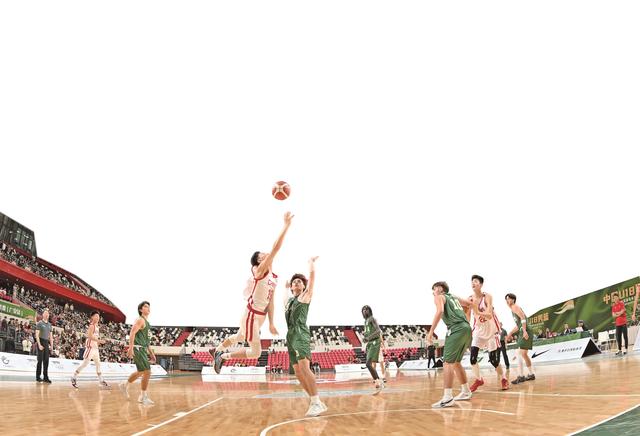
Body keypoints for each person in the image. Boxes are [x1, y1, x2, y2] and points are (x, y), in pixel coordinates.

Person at [212, 212, 293, 373]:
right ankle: (223, 356)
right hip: (252, 315)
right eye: (262, 254)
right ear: (259, 261)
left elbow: (271, 302)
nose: (266, 253)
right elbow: (275, 248)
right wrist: (286, 225)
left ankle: (217, 350)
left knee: (239, 337)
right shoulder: (260, 270)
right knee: (256, 353)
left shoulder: (273, 277)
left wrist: (271, 323)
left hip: (260, 316)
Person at [284, 256, 327, 417]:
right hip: (290, 336)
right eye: (294, 282)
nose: (296, 283)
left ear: (304, 286)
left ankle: (316, 401)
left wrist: (311, 263)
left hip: (300, 333)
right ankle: (315, 402)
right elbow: (284, 296)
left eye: (299, 282)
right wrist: (285, 287)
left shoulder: (305, 297)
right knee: (297, 371)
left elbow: (312, 278)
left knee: (304, 368)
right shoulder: (290, 302)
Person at [427, 281, 473, 408]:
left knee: (447, 362)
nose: (433, 292)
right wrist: (465, 318)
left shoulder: (439, 297)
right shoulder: (453, 297)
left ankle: (447, 398)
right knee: (456, 362)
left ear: (440, 289)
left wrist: (431, 332)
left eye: (434, 289)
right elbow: (469, 304)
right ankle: (466, 391)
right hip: (466, 328)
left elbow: (440, 311)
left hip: (456, 329)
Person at [468, 275, 508, 392]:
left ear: (481, 284)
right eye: (472, 281)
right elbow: (467, 314)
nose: (473, 283)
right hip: (478, 330)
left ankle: (504, 378)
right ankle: (479, 379)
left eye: (476, 281)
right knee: (472, 358)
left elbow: (489, 315)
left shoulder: (487, 296)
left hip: (491, 331)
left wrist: (476, 311)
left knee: (494, 361)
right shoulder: (469, 299)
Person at [119, 301, 156, 405]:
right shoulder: (140, 320)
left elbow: (147, 341)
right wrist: (130, 348)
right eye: (146, 306)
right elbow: (132, 332)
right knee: (147, 371)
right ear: (140, 310)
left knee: (141, 371)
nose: (148, 308)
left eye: (149, 307)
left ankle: (124, 385)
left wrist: (151, 353)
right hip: (137, 348)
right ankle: (142, 397)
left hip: (143, 348)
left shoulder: (147, 323)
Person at [71, 311, 110, 389]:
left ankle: (101, 380)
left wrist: (99, 342)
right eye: (96, 316)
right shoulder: (92, 326)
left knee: (98, 364)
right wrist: (99, 341)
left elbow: (95, 338)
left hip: (95, 348)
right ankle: (74, 377)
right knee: (85, 364)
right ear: (92, 317)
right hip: (90, 347)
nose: (98, 318)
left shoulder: (97, 327)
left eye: (98, 316)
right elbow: (89, 336)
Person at [505, 293, 535, 384]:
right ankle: (531, 374)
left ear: (513, 299)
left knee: (519, 353)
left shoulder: (515, 307)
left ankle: (521, 376)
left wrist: (525, 331)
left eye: (509, 298)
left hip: (525, 330)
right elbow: (518, 325)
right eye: (506, 299)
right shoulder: (512, 310)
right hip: (523, 330)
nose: (507, 300)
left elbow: (523, 318)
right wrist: (510, 333)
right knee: (523, 354)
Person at [361, 305, 384, 394]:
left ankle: (378, 381)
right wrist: (365, 336)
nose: (365, 311)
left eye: (366, 309)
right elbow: (369, 333)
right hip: (370, 343)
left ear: (370, 311)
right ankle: (378, 381)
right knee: (368, 364)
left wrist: (368, 337)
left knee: (368, 363)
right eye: (363, 309)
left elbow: (378, 331)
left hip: (375, 342)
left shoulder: (372, 319)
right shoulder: (365, 321)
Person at [35, 309, 53, 383]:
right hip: (41, 341)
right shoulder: (39, 323)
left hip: (46, 342)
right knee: (40, 360)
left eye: (47, 314)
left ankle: (46, 377)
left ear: (48, 316)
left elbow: (51, 337)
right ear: (43, 315)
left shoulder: (50, 325)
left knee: (46, 361)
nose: (46, 315)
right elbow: (37, 335)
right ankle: (38, 377)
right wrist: (39, 344)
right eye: (45, 313)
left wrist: (52, 346)